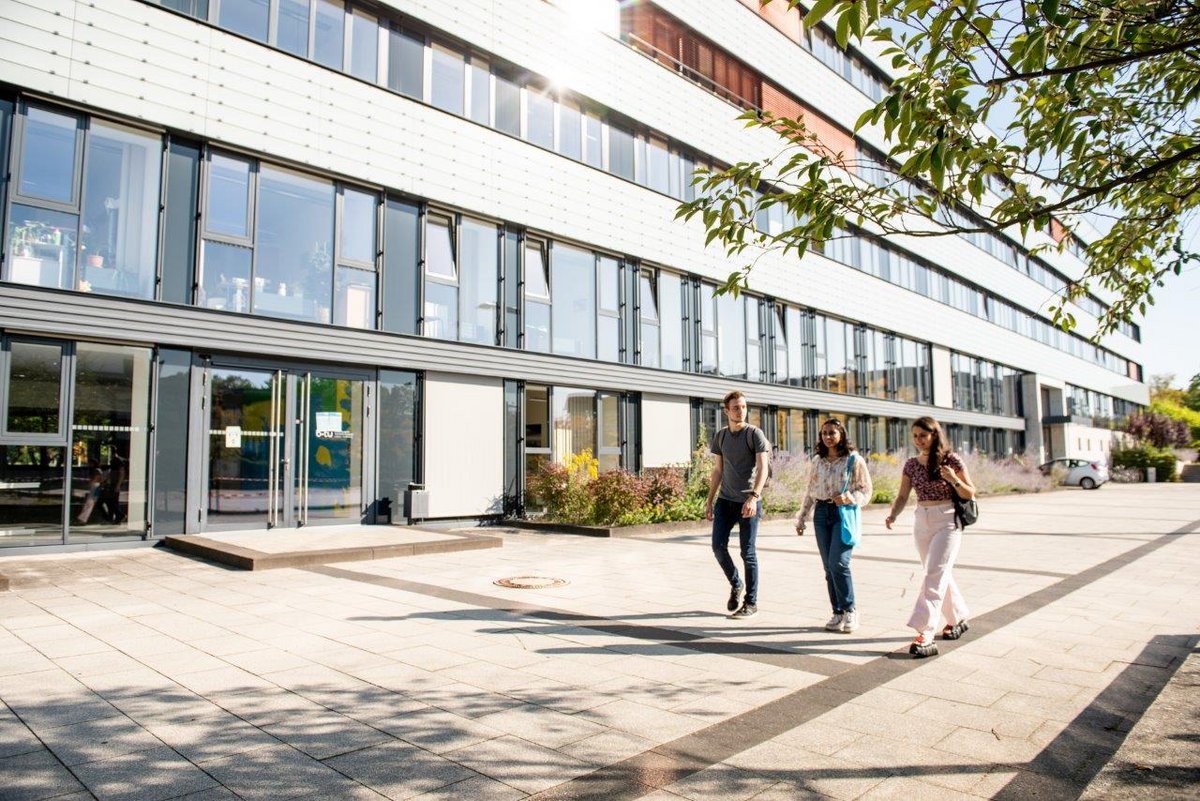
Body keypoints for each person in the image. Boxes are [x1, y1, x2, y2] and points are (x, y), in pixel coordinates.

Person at [885, 416, 977, 657]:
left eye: (923, 435)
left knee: (934, 573)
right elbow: (903, 495)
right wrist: (893, 515)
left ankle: (925, 630)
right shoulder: (911, 464)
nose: (918, 440)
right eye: (915, 436)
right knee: (936, 572)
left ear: (934, 435)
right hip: (922, 519)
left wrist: (953, 479)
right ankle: (957, 616)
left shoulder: (951, 460)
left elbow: (970, 492)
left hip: (947, 519)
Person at [794, 419, 873, 633]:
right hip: (821, 513)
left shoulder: (853, 460)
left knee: (839, 563)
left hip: (842, 514)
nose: (828, 437)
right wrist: (801, 517)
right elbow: (810, 490)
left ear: (841, 434)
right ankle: (837, 612)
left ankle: (850, 609)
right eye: (824, 433)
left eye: (832, 433)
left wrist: (850, 497)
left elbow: (867, 491)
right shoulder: (818, 460)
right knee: (828, 568)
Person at [705, 390, 770, 619]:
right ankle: (736, 582)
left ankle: (751, 603)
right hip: (725, 501)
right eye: (735, 407)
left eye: (743, 407)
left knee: (748, 553)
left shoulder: (754, 434)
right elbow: (718, 470)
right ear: (726, 411)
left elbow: (764, 469)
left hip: (748, 502)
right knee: (717, 547)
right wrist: (710, 500)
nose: (740, 410)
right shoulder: (721, 436)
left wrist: (754, 497)